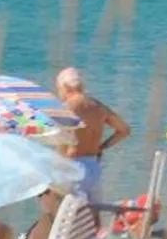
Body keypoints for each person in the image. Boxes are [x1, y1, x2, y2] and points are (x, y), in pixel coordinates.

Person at [56, 66, 131, 204]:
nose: (59, 93)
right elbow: (124, 130)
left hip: (74, 166)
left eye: (59, 89)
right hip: (93, 165)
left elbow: (60, 143)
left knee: (72, 214)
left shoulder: (66, 108)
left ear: (66, 86)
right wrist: (102, 147)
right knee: (94, 215)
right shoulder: (98, 107)